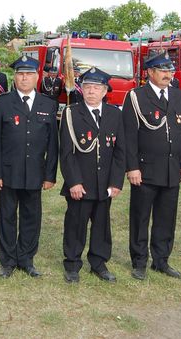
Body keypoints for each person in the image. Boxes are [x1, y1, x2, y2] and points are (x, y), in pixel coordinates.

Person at [122, 53, 181, 280]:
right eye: (162, 70)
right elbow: (129, 136)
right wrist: (132, 167)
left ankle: (161, 260)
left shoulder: (178, 96)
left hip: (172, 169)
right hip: (145, 169)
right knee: (141, 217)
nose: (167, 75)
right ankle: (139, 261)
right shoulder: (136, 96)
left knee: (166, 218)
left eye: (170, 71)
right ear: (150, 73)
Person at [0, 56, 58, 278]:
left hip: (36, 172)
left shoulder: (48, 104)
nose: (24, 77)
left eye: (28, 74)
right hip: (8, 172)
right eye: (20, 74)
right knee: (7, 215)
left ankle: (26, 258)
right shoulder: (1, 103)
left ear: (37, 77)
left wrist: (50, 175)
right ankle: (7, 261)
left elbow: (53, 144)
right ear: (14, 77)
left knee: (31, 217)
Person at [60, 67, 125, 283]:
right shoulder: (71, 113)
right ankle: (72, 264)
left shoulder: (115, 114)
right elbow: (67, 153)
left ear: (105, 91)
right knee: (75, 224)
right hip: (81, 183)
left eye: (96, 88)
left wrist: (116, 182)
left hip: (104, 183)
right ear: (82, 89)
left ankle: (98, 263)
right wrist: (74, 182)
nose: (91, 91)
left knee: (102, 226)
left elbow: (120, 151)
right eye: (87, 87)